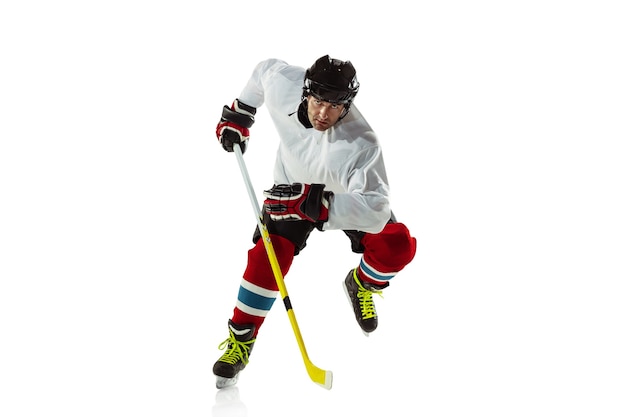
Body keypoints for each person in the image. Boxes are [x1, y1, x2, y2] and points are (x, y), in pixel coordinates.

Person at [212, 55, 417, 388]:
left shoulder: (362, 144)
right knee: (267, 259)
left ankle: (361, 283)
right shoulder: (284, 84)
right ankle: (241, 339)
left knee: (397, 246)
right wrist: (241, 112)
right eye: (318, 101)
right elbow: (263, 72)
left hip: (342, 200)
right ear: (305, 91)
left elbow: (377, 209)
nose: (324, 113)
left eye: (335, 106)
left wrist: (319, 207)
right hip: (289, 187)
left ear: (347, 105)